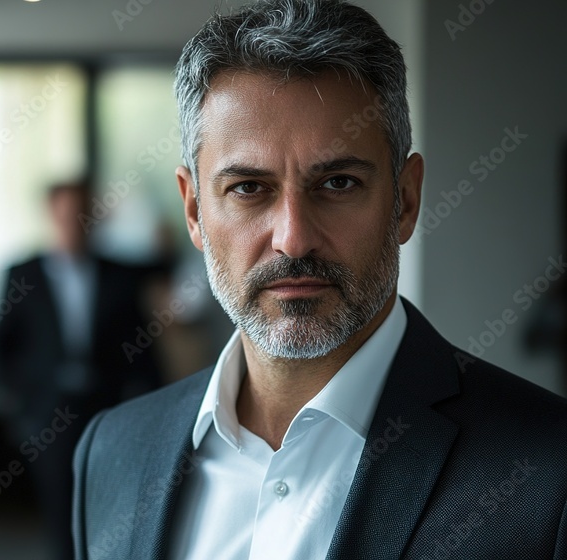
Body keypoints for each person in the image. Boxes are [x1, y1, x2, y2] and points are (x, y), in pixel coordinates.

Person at [71, 2, 567, 559]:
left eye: (337, 182)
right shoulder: (111, 452)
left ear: (405, 199)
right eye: (249, 188)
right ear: (193, 211)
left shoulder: (549, 473)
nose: (293, 238)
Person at [0, 180, 165, 560]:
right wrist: (18, 408)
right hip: (47, 412)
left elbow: (142, 348)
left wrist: (158, 411)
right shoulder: (24, 275)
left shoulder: (119, 274)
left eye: (84, 213)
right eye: (67, 213)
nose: (75, 222)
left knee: (111, 506)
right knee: (60, 512)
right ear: (51, 215)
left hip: (107, 407)